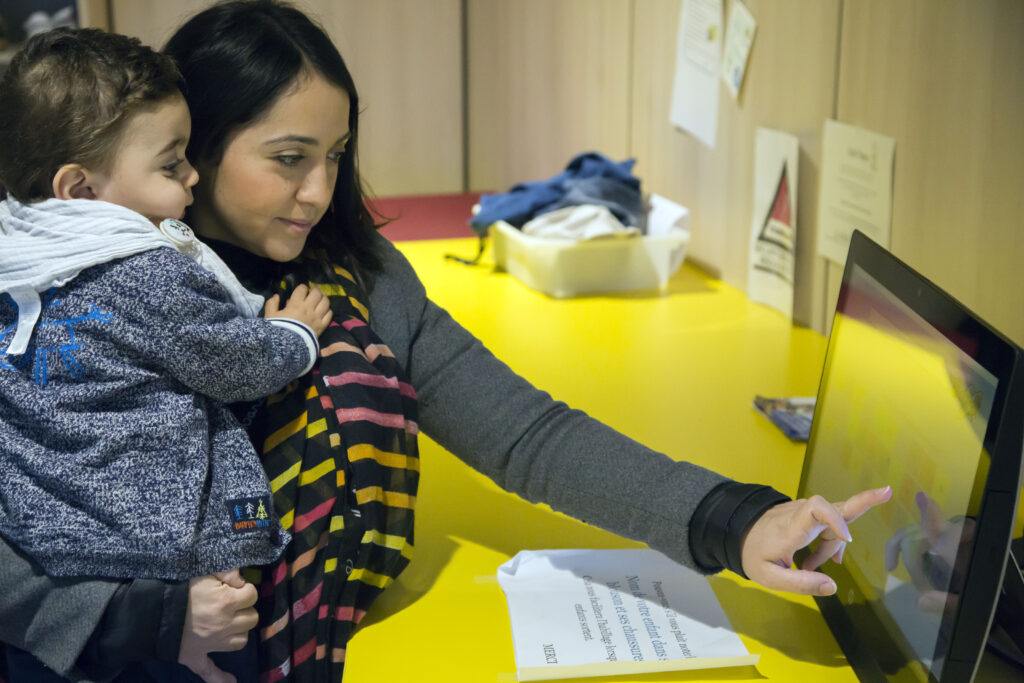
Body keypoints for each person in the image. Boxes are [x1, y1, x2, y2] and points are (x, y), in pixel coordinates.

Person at [0, 3, 892, 683]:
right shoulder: (47, 301)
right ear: (195, 148)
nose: (318, 190)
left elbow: (526, 433)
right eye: (287, 157)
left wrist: (736, 521)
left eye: (338, 154)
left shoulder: (359, 274)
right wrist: (140, 622)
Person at [0, 26, 335, 681]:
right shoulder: (146, 273)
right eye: (170, 161)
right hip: (161, 557)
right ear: (80, 189)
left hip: (47, 556)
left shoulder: (16, 270)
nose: (193, 175)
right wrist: (295, 335)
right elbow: (235, 363)